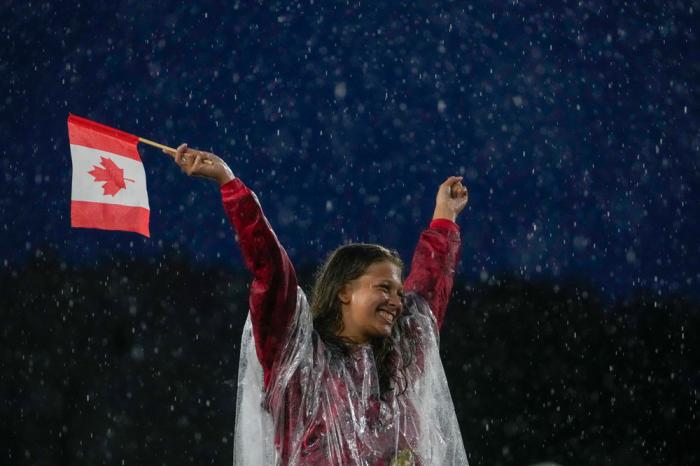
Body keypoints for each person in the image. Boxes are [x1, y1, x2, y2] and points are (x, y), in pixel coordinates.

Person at [168, 144, 470, 465]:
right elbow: (271, 272)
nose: (397, 302)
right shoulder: (299, 362)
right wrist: (230, 185)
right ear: (344, 292)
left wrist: (445, 217)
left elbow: (428, 289)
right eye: (384, 288)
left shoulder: (400, 360)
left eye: (398, 291)